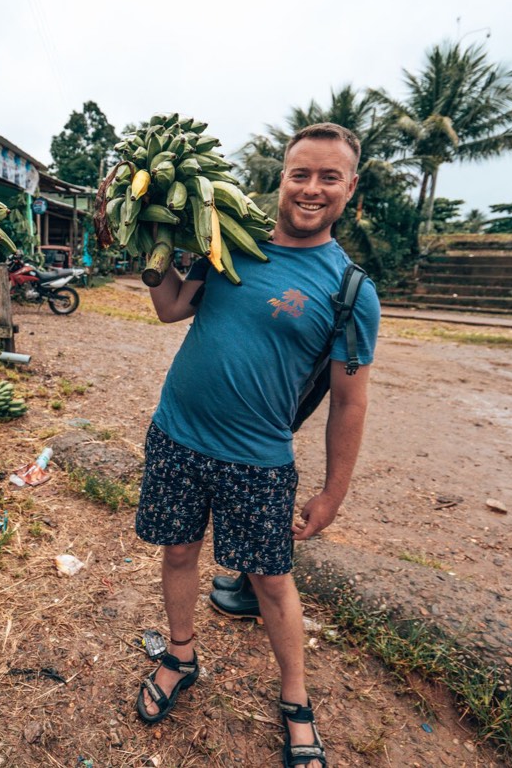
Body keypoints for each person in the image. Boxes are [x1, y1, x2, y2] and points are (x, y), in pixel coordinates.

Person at [133, 123, 381, 767]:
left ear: (349, 189)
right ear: (282, 178)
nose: (311, 188)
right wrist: (148, 237)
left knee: (272, 581)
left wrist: (333, 491)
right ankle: (180, 655)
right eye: (301, 173)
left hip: (259, 458)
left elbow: (350, 401)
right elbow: (171, 308)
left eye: (329, 177)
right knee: (180, 551)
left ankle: (296, 700)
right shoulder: (228, 242)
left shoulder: (351, 290)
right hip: (177, 434)